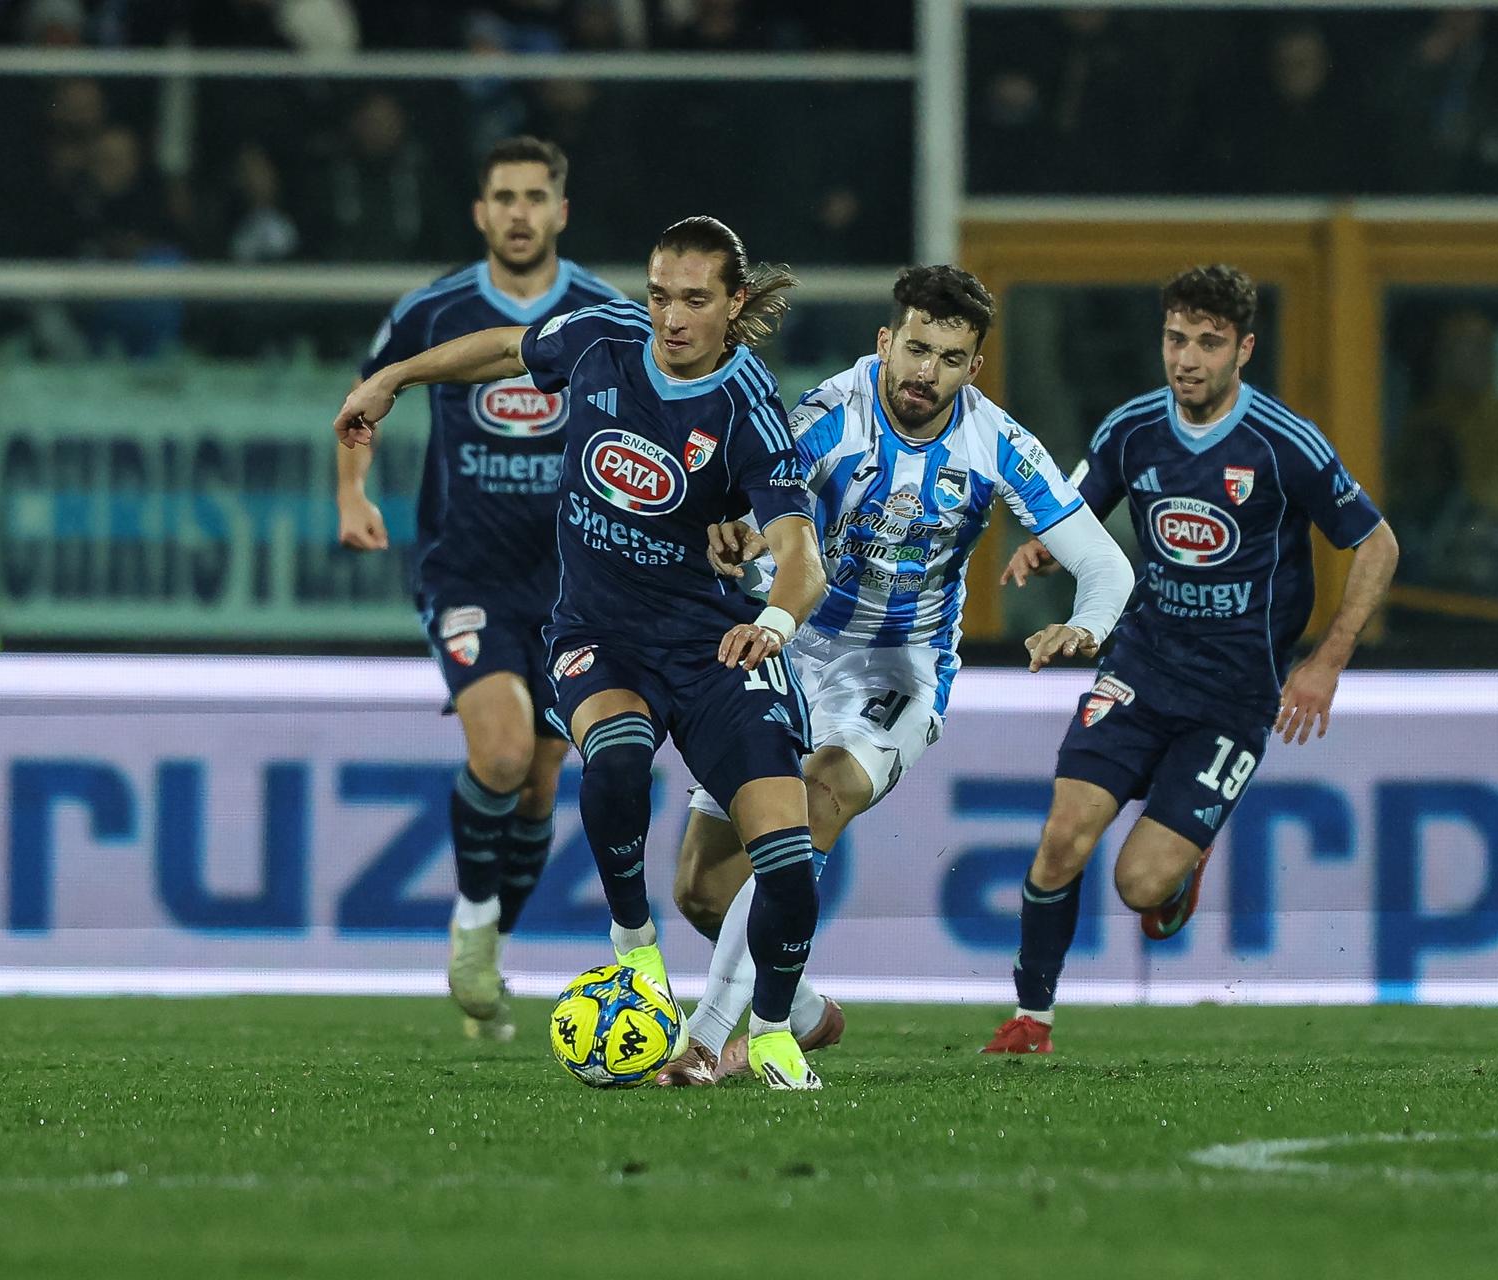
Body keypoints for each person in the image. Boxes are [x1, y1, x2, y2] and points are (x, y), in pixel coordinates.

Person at [336, 216, 832, 1090]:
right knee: (618, 758)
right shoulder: (603, 338)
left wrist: (776, 625)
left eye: (695, 300)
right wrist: (395, 377)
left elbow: (802, 555)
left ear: (735, 304)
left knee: (787, 864)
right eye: (660, 295)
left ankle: (771, 1033)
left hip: (716, 644)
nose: (671, 317)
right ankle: (635, 949)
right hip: (600, 636)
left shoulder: (748, 407)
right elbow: (503, 349)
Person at [653, 265, 1135, 1086]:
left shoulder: (996, 443)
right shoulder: (828, 416)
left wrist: (1085, 624)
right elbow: (759, 500)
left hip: (898, 665)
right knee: (702, 888)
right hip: (788, 643)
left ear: (973, 367)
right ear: (885, 342)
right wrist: (745, 533)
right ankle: (806, 1014)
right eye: (916, 349)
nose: (926, 373)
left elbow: (1106, 565)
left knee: (814, 802)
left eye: (949, 359)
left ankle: (705, 1041)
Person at [981, 264, 1400, 1055]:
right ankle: (1033, 1019)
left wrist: (1327, 661)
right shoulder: (1132, 429)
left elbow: (1376, 544)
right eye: (1176, 339)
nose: (1187, 359)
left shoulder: (1282, 443)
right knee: (1064, 835)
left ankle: (1184, 863)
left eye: (1209, 343)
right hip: (1141, 667)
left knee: (1139, 884)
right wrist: (1047, 544)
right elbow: (1075, 508)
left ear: (1244, 349)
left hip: (1235, 698)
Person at [337, 136, 620, 1041]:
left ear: (560, 212)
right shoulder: (435, 309)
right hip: (467, 571)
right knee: (500, 757)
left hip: (576, 583)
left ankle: (491, 945)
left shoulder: (605, 313)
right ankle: (470, 925)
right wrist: (353, 494)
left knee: (540, 786)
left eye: (535, 197)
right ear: (480, 212)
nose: (519, 213)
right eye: (504, 197)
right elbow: (364, 400)